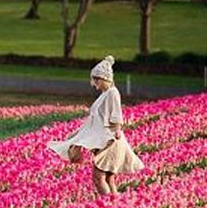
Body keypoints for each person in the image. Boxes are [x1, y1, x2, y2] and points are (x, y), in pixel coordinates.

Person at [48, 55, 144, 195]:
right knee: (109, 179)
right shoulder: (105, 94)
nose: (94, 83)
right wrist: (76, 134)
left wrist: (117, 129)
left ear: (104, 78)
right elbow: (93, 120)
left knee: (98, 178)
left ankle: (106, 206)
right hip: (105, 140)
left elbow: (116, 113)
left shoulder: (112, 93)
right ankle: (115, 206)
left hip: (111, 140)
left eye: (96, 79)